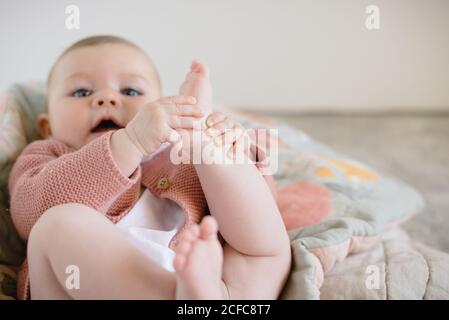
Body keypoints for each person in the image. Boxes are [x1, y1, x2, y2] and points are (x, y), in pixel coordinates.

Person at [8, 35, 291, 300]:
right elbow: (29, 211)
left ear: (161, 106)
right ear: (46, 127)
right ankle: (183, 297)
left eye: (130, 90)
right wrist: (129, 142)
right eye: (81, 91)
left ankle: (203, 294)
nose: (107, 98)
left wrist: (215, 148)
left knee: (266, 248)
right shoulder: (46, 154)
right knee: (55, 226)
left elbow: (262, 212)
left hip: (221, 286)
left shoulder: (178, 154)